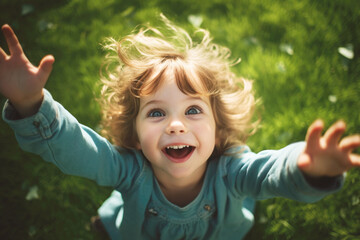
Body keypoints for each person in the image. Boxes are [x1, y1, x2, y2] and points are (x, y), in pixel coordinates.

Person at [1, 16, 359, 240]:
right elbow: (78, 150)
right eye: (156, 114)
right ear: (136, 136)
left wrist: (307, 167)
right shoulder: (127, 170)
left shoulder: (232, 170)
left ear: (218, 129)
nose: (175, 125)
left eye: (193, 110)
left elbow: (269, 172)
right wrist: (32, 105)